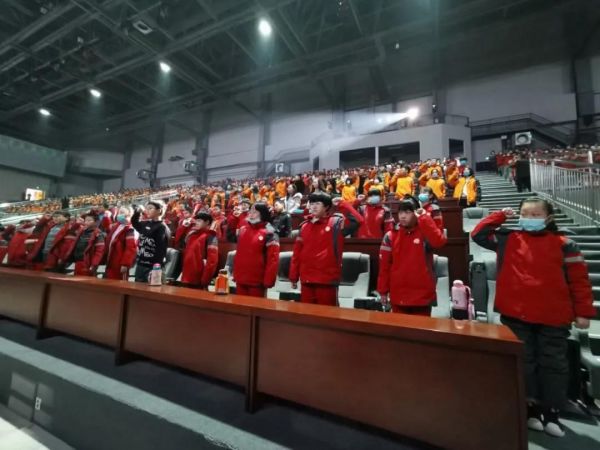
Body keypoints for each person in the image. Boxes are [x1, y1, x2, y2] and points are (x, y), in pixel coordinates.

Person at [471, 198, 594, 438]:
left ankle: (552, 412)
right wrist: (500, 215)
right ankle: (530, 409)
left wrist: (583, 312)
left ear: (548, 218)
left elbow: (579, 281)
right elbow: (478, 234)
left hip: (553, 316)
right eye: (525, 214)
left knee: (553, 365)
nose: (529, 218)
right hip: (517, 313)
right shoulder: (508, 239)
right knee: (524, 363)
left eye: (536, 214)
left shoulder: (565, 244)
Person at [376, 196, 447, 316]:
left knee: (422, 328)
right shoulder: (390, 236)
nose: (403, 216)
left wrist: (424, 217)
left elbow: (439, 242)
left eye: (407, 212)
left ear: (416, 213)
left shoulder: (425, 231)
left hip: (422, 297)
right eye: (400, 212)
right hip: (398, 296)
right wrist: (383, 291)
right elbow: (384, 266)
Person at [289, 193, 359, 306]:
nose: (313, 206)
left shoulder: (336, 223)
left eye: (317, 203)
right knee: (306, 314)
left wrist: (342, 204)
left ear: (326, 207)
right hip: (306, 279)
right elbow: (297, 254)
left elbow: (358, 220)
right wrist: (293, 276)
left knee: (327, 315)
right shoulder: (304, 226)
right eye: (311, 203)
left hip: (327, 280)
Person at [233, 203, 280, 297]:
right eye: (250, 211)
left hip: (258, 281)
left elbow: (273, 259)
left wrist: (269, 280)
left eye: (255, 212)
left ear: (262, 214)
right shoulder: (243, 230)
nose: (251, 214)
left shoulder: (270, 232)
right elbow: (239, 254)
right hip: (240, 278)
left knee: (255, 306)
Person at [131, 200, 171, 283]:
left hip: (153, 266)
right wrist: (137, 212)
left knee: (152, 289)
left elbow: (160, 251)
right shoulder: (145, 223)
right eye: (146, 208)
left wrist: (156, 269)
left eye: (150, 208)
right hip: (141, 264)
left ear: (159, 210)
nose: (147, 210)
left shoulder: (162, 227)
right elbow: (134, 222)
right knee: (137, 288)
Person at [179, 211, 219, 288]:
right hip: (186, 277)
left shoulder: (211, 237)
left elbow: (212, 261)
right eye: (196, 220)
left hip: (199, 280)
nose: (196, 223)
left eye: (199, 221)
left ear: (207, 222)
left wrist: (205, 280)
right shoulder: (192, 235)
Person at [104, 206, 138, 280]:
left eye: (122, 212)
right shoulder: (117, 225)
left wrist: (125, 264)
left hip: (120, 262)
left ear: (129, 214)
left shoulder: (130, 229)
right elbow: (107, 229)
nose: (119, 215)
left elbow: (130, 248)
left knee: (120, 283)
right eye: (119, 212)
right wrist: (106, 217)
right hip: (112, 260)